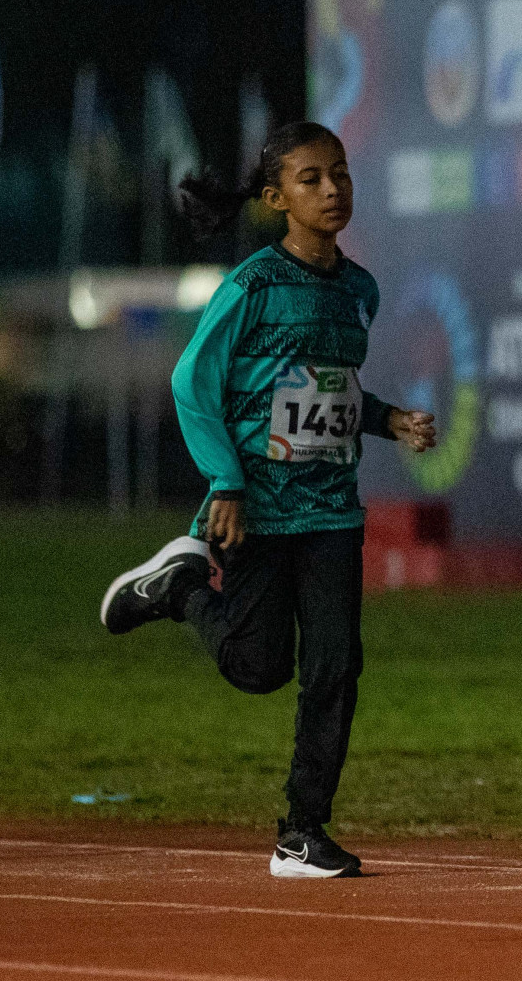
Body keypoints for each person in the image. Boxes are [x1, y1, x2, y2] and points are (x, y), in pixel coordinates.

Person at [99, 122, 437, 879]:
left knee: (336, 666)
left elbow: (333, 391)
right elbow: (193, 383)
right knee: (257, 669)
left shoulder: (360, 291)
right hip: (252, 507)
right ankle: (181, 587)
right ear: (276, 197)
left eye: (341, 174)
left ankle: (301, 832)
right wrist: (225, 481)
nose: (332, 189)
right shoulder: (251, 285)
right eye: (312, 179)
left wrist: (390, 420)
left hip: (331, 513)